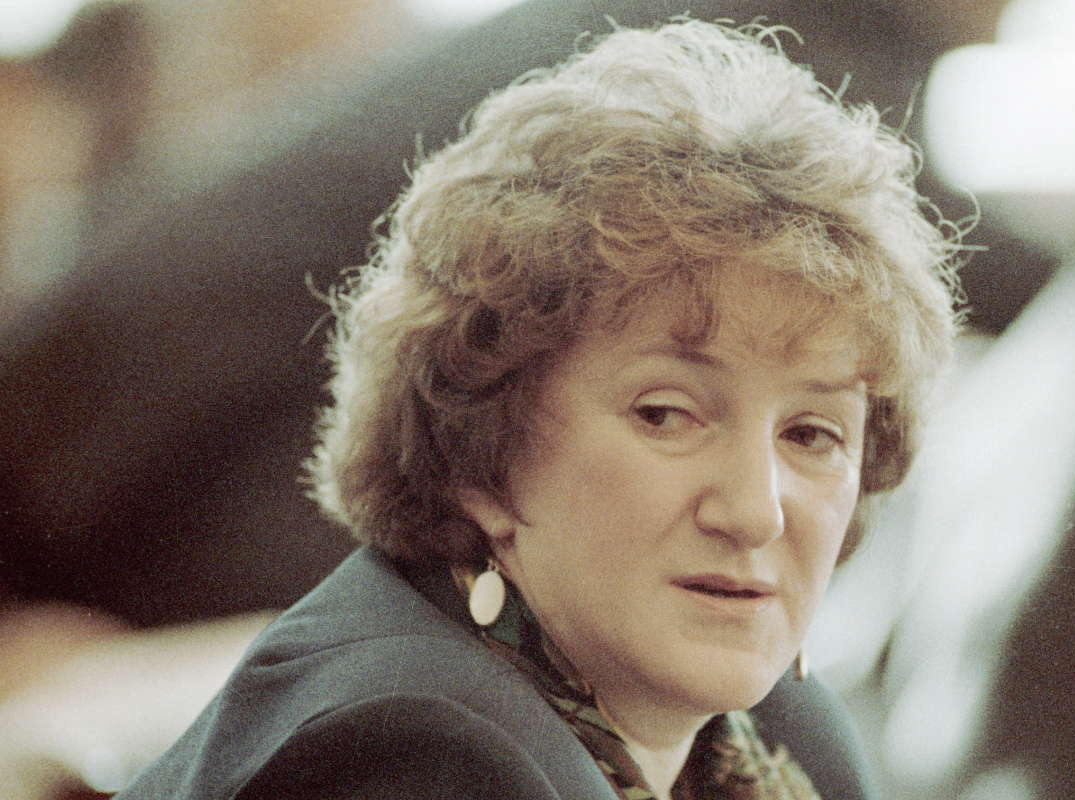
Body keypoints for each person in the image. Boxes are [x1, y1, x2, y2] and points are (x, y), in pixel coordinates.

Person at [114, 19, 960, 800]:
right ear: (481, 452)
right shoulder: (419, 752)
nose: (755, 511)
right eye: (666, 415)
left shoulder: (783, 737)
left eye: (812, 434)